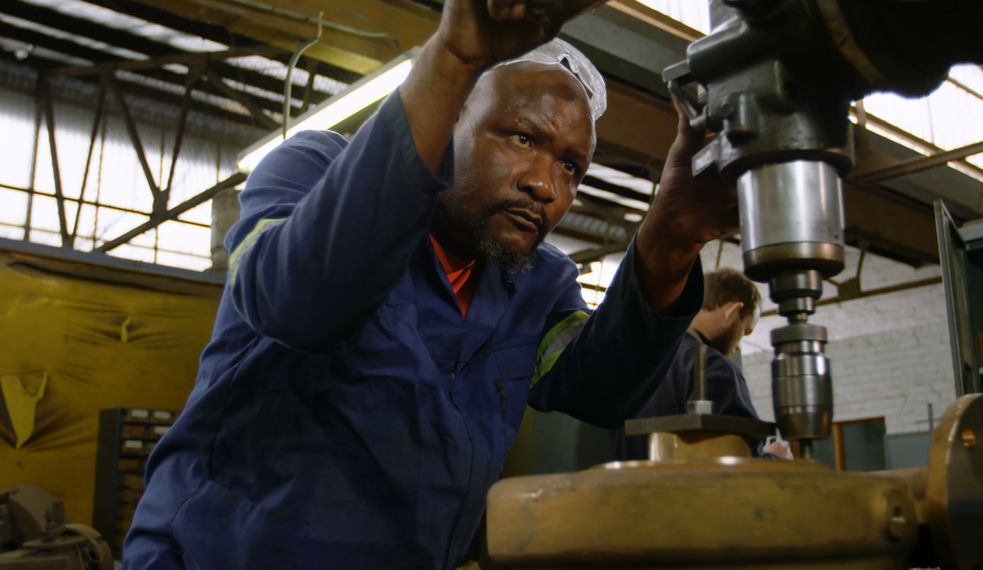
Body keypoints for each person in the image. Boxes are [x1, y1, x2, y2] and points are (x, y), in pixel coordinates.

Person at [123, 1, 740, 568]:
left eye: (570, 166)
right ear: (452, 120)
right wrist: (453, 60)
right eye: (523, 138)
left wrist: (672, 237)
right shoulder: (313, 171)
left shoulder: (540, 283)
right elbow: (298, 300)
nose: (546, 186)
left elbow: (600, 388)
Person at [613, 268, 783, 461]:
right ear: (732, 312)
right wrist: (775, 457)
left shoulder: (637, 362)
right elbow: (737, 461)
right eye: (745, 331)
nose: (738, 347)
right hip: (687, 490)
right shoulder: (714, 366)